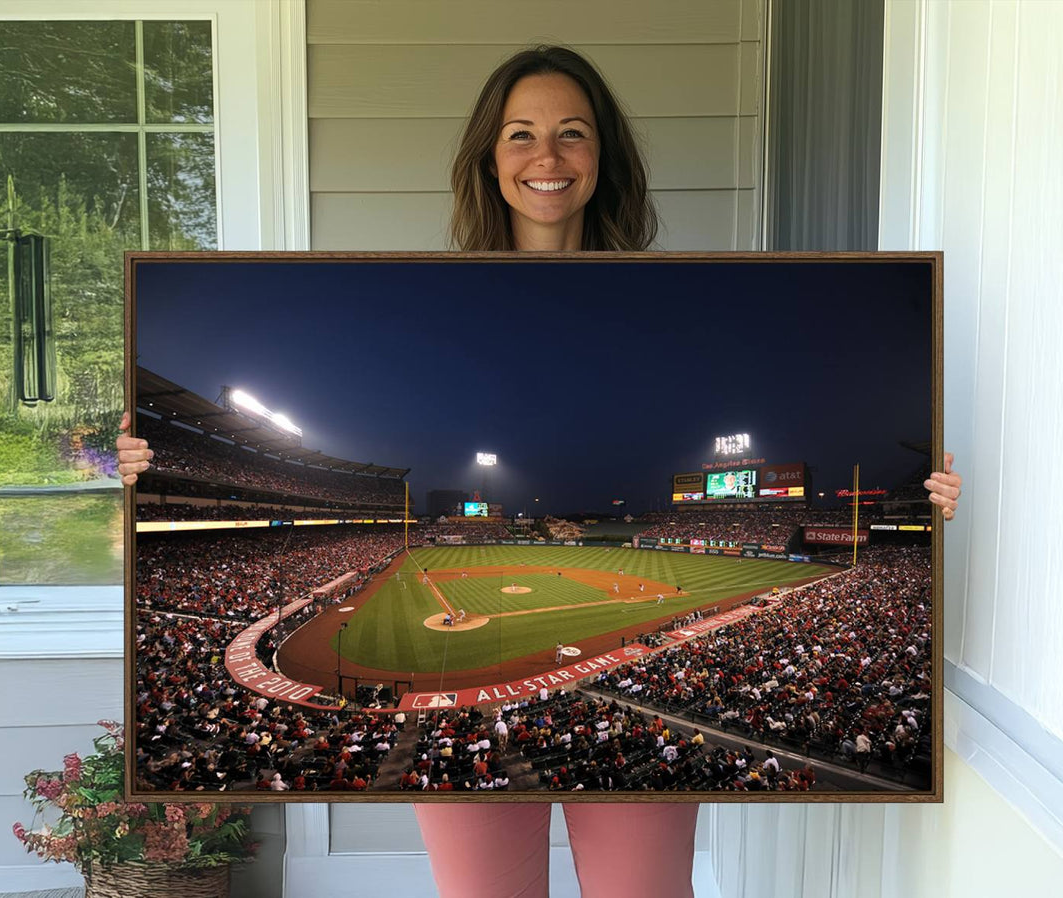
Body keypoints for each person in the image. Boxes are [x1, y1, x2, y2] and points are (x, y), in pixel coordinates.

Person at [117, 43, 963, 898]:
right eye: (520, 134)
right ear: (489, 156)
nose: (546, 157)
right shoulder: (435, 285)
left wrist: (923, 507)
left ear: (605, 157)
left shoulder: (664, 292)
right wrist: (133, 470)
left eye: (573, 133)